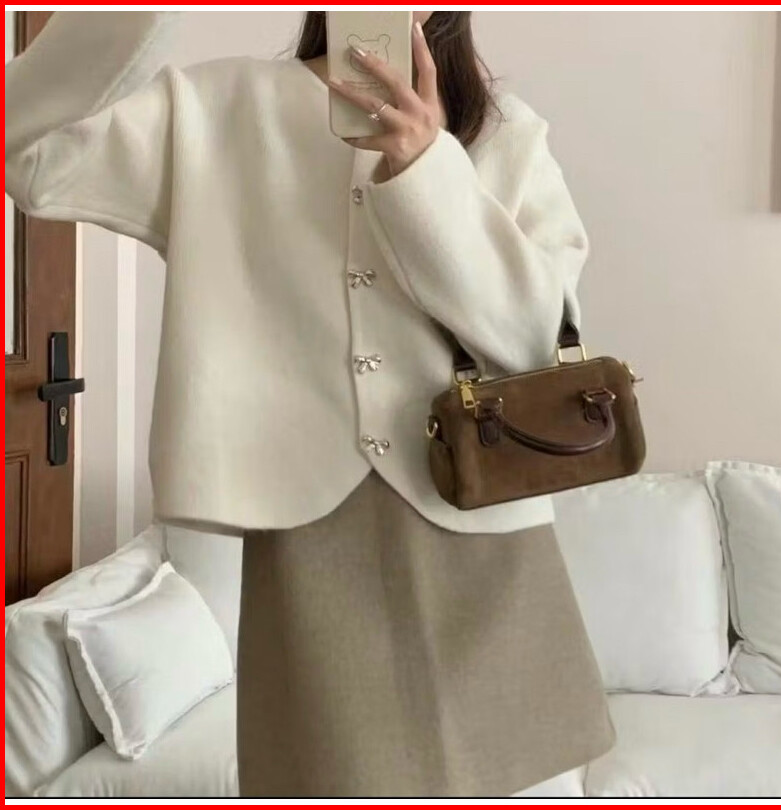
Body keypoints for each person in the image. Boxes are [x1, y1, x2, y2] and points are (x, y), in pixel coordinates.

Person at [5, 9, 617, 798]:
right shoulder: (211, 110)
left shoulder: (504, 134)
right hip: (309, 534)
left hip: (485, 535)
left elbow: (535, 340)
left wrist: (427, 167)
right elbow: (30, 151)